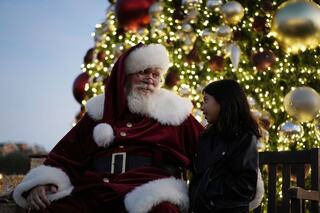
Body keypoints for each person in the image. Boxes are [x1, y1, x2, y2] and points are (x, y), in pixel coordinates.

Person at [13, 43, 204, 213]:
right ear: (125, 77)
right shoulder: (98, 114)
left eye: (155, 75)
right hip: (96, 190)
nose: (149, 79)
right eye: (143, 72)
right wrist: (42, 183)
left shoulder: (174, 114)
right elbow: (66, 155)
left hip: (149, 190)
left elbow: (209, 149)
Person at [189, 79, 264, 213]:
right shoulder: (205, 137)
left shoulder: (244, 138)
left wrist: (209, 192)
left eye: (206, 101)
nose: (202, 107)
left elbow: (245, 185)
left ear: (222, 102)